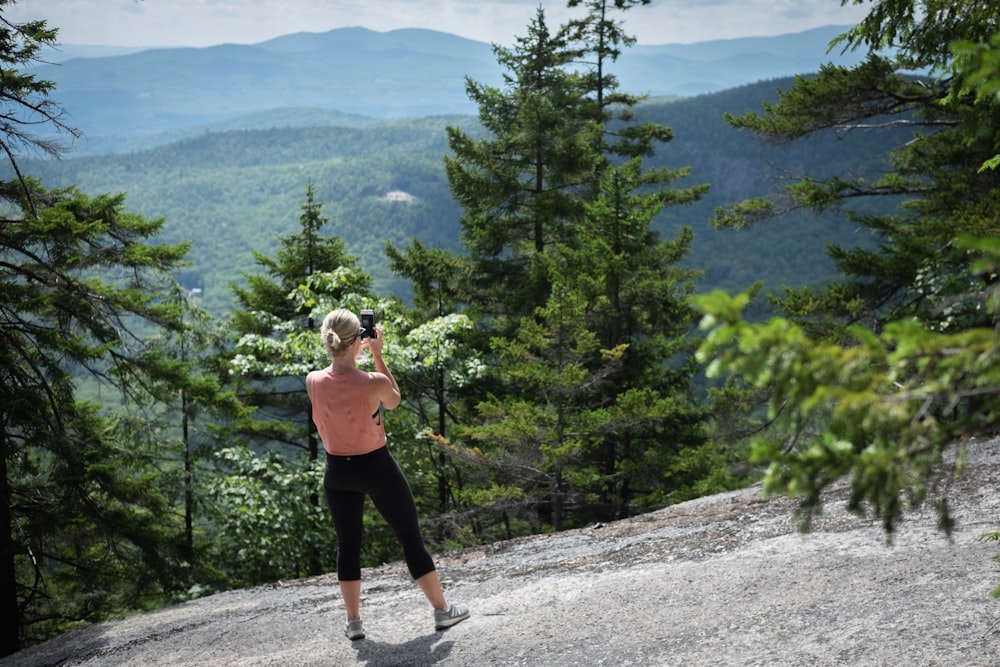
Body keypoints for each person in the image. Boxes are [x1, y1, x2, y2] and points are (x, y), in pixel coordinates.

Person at [305, 309, 469, 640]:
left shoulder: (313, 381)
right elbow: (393, 400)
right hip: (376, 467)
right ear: (358, 342)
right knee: (410, 538)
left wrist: (354, 354)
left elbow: (337, 391)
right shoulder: (373, 382)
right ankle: (441, 611)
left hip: (337, 471)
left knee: (348, 545)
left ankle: (353, 622)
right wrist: (377, 356)